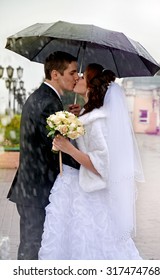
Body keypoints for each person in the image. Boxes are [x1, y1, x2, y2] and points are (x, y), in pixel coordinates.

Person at [38, 63, 145, 260]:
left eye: (83, 76)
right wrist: (76, 117)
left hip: (93, 196)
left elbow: (101, 167)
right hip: (86, 190)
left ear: (91, 86)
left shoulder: (97, 120)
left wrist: (68, 148)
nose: (77, 77)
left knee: (93, 246)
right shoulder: (90, 114)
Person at [7, 51, 81, 260]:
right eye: (72, 72)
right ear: (55, 74)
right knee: (32, 247)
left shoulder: (46, 99)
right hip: (36, 190)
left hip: (32, 187)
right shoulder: (47, 103)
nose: (76, 77)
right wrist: (91, 166)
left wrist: (67, 118)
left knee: (34, 245)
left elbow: (48, 140)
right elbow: (55, 148)